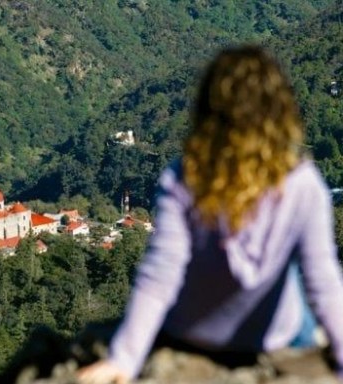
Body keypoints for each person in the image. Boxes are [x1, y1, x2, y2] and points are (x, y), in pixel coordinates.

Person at [77, 45, 343, 383]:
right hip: (272, 338)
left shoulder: (185, 177)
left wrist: (123, 360)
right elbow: (324, 283)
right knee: (296, 283)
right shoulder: (304, 184)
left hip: (194, 334)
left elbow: (161, 275)